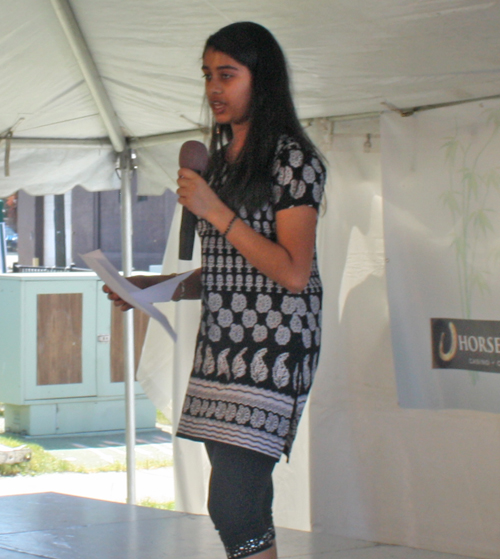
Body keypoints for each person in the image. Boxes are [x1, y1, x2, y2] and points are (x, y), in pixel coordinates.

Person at [105, 21, 326, 559]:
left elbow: (292, 272)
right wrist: (160, 286)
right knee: (233, 500)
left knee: (237, 498)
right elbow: (231, 269)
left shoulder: (292, 159)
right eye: (207, 75)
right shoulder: (220, 165)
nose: (214, 89)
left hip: (275, 342)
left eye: (227, 75)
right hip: (224, 340)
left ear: (261, 79)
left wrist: (214, 210)